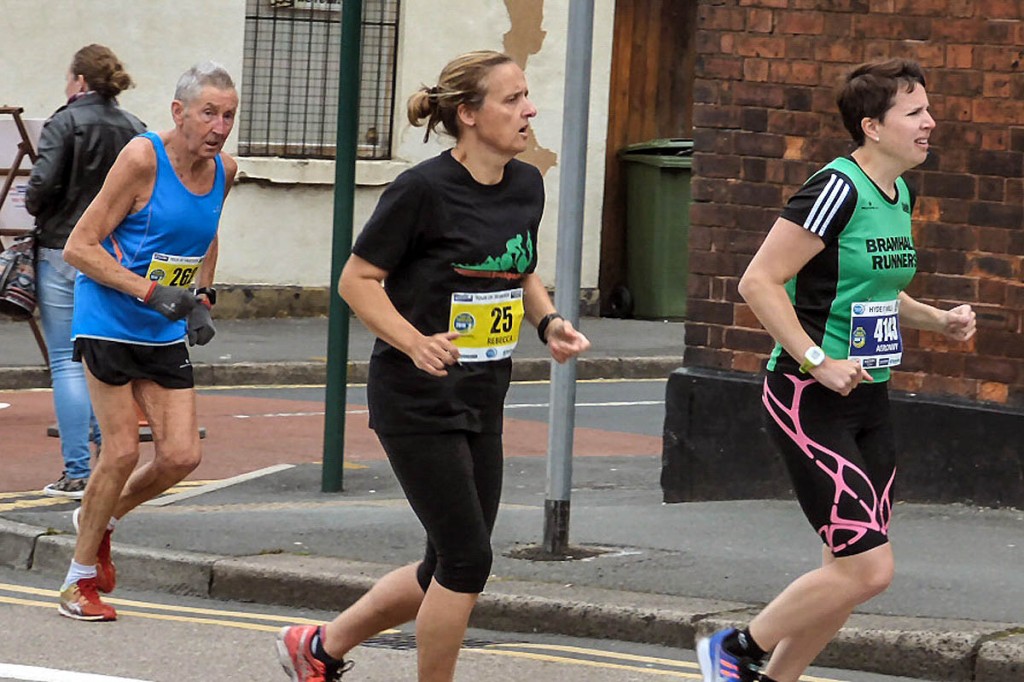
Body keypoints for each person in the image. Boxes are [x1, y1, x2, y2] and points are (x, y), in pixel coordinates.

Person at [275, 50, 590, 682]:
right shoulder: (421, 189)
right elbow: (357, 280)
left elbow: (519, 268)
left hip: (482, 394)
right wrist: (414, 341)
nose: (529, 110)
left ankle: (320, 648)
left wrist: (549, 322)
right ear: (468, 114)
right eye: (512, 99)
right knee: (468, 561)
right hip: (416, 399)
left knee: (444, 564)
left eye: (526, 96)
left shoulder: (526, 185)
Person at [697, 59, 976, 682]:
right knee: (869, 569)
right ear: (872, 126)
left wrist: (938, 320)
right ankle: (735, 648)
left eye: (928, 110)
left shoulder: (898, 192)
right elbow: (759, 281)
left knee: (844, 572)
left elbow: (875, 289)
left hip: (869, 401)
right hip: (807, 398)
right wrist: (816, 360)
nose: (930, 122)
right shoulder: (836, 189)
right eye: (914, 112)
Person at [56, 62, 238, 622]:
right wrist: (151, 292)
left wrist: (202, 296)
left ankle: (100, 518)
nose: (220, 127)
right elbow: (79, 247)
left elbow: (206, 234)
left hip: (163, 325)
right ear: (178, 112)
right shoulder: (142, 158)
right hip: (109, 317)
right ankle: (77, 582)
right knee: (122, 451)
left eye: (229, 115)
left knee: (182, 454)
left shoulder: (225, 170)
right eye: (209, 113)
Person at [25, 44, 146, 498]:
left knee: (66, 361)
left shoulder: (65, 123)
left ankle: (76, 471)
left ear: (79, 80)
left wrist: (41, 208)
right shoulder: (135, 128)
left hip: (62, 246)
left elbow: (40, 187)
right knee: (102, 359)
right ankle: (107, 467)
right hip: (113, 256)